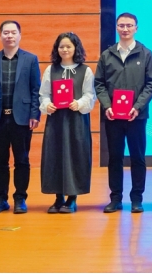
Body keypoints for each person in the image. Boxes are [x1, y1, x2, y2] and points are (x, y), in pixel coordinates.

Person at [94, 12, 152, 213]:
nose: (125, 29)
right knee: (115, 158)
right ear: (116, 27)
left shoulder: (146, 54)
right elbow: (99, 84)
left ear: (136, 28)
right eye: (121, 25)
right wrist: (107, 106)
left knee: (138, 157)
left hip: (136, 116)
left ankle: (137, 199)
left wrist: (137, 107)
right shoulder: (107, 55)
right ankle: (115, 198)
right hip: (113, 116)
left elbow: (151, 84)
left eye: (129, 25)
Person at [0, 20, 41, 214]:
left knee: (22, 160)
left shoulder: (31, 59)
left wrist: (35, 113)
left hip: (21, 119)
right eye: (6, 33)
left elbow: (36, 89)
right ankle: (0, 199)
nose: (10, 36)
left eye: (13, 32)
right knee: (0, 161)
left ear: (20, 35)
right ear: (0, 36)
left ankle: (20, 198)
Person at [39, 32, 96, 213]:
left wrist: (79, 103)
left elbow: (90, 94)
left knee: (75, 156)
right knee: (55, 156)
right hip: (56, 121)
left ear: (75, 48)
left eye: (68, 46)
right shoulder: (51, 70)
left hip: (76, 120)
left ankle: (72, 198)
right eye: (61, 46)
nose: (65, 49)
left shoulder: (85, 70)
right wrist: (47, 105)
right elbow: (44, 94)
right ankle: (58, 198)